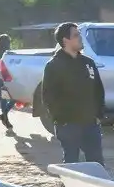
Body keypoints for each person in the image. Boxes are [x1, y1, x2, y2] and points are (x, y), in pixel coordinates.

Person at [42, 22, 105, 164]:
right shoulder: (54, 65)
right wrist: (61, 120)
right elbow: (48, 97)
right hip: (68, 125)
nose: (80, 38)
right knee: (72, 163)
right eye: (76, 35)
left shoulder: (88, 63)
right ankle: (71, 186)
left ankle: (96, 186)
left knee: (97, 163)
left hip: (90, 124)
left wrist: (99, 114)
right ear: (65, 40)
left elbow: (98, 90)